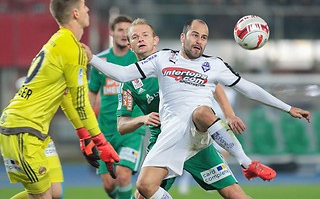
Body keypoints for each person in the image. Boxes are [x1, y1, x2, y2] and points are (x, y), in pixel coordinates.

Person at [84, 18, 310, 199]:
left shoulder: (213, 64)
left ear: (156, 40)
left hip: (198, 134)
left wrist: (286, 107)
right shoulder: (161, 62)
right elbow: (122, 76)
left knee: (201, 114)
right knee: (144, 188)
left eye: (204, 37)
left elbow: (245, 87)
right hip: (168, 138)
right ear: (183, 38)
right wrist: (92, 58)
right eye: (195, 35)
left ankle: (246, 162)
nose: (199, 41)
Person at [0, 0, 119, 199]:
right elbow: (82, 104)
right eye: (84, 6)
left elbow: (66, 97)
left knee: (55, 193)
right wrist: (101, 142)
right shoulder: (69, 48)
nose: (88, 9)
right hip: (22, 130)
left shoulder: (61, 43)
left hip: (37, 133)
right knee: (43, 197)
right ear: (75, 13)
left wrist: (83, 135)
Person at [116, 18, 256, 199]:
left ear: (155, 40)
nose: (141, 39)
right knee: (143, 193)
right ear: (129, 44)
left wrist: (229, 114)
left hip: (194, 138)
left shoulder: (175, 61)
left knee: (235, 195)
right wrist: (141, 119)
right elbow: (122, 125)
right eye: (135, 37)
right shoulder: (129, 83)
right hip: (164, 142)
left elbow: (214, 85)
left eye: (145, 35)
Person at [88, 15, 145, 199]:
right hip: (106, 130)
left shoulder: (138, 59)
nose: (123, 34)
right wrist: (87, 124)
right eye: (120, 29)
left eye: (127, 31)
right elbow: (92, 92)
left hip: (131, 129)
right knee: (109, 183)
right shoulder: (100, 61)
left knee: (122, 175)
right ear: (111, 32)